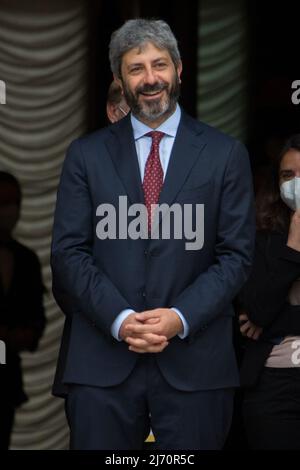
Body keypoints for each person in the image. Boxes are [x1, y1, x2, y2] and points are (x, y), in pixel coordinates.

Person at [51, 18, 255, 450]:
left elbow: (235, 255)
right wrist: (122, 321)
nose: (150, 79)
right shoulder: (85, 155)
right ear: (120, 79)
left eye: (159, 65)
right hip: (102, 365)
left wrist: (178, 317)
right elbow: (69, 253)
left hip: (195, 363)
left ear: (179, 69)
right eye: (136, 68)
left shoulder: (225, 154)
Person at [238, 134, 300, 449]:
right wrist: (293, 248)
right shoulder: (261, 236)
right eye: (288, 175)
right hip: (273, 387)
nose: (296, 183)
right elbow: (258, 309)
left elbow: (263, 317)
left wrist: (275, 322)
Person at [0, 172, 46, 449]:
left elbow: (35, 320)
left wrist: (18, 336)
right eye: (3, 202)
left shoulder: (26, 259)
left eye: (13, 202)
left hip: (6, 383)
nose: (9, 210)